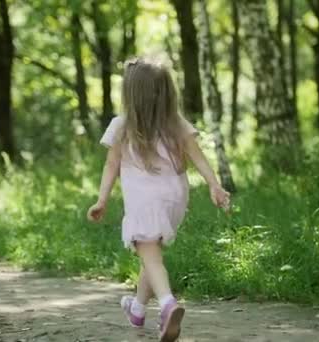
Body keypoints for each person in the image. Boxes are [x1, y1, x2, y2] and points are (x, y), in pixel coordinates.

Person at [87, 57, 230, 342]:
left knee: (151, 256)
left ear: (130, 94)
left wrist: (101, 199)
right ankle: (137, 310)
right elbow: (198, 156)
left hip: (144, 201)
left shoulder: (121, 126)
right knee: (150, 256)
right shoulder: (176, 124)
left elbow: (111, 166)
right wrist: (214, 184)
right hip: (175, 199)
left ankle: (167, 304)